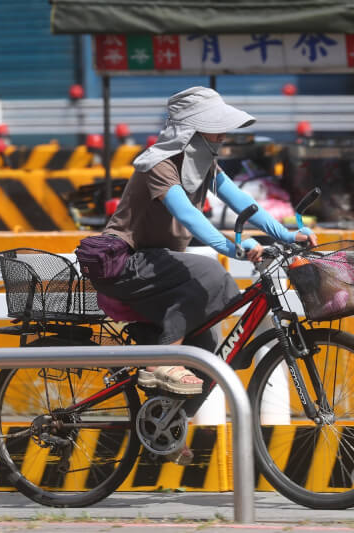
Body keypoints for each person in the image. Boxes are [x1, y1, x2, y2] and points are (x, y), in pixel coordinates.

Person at [80, 87, 316, 396]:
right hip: (125, 263)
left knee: (207, 353)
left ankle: (169, 424)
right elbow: (188, 215)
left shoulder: (204, 166)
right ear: (192, 130)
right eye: (216, 129)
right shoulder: (159, 164)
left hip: (157, 268)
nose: (222, 136)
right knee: (211, 273)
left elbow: (242, 202)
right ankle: (161, 362)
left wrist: (286, 234)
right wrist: (232, 248)